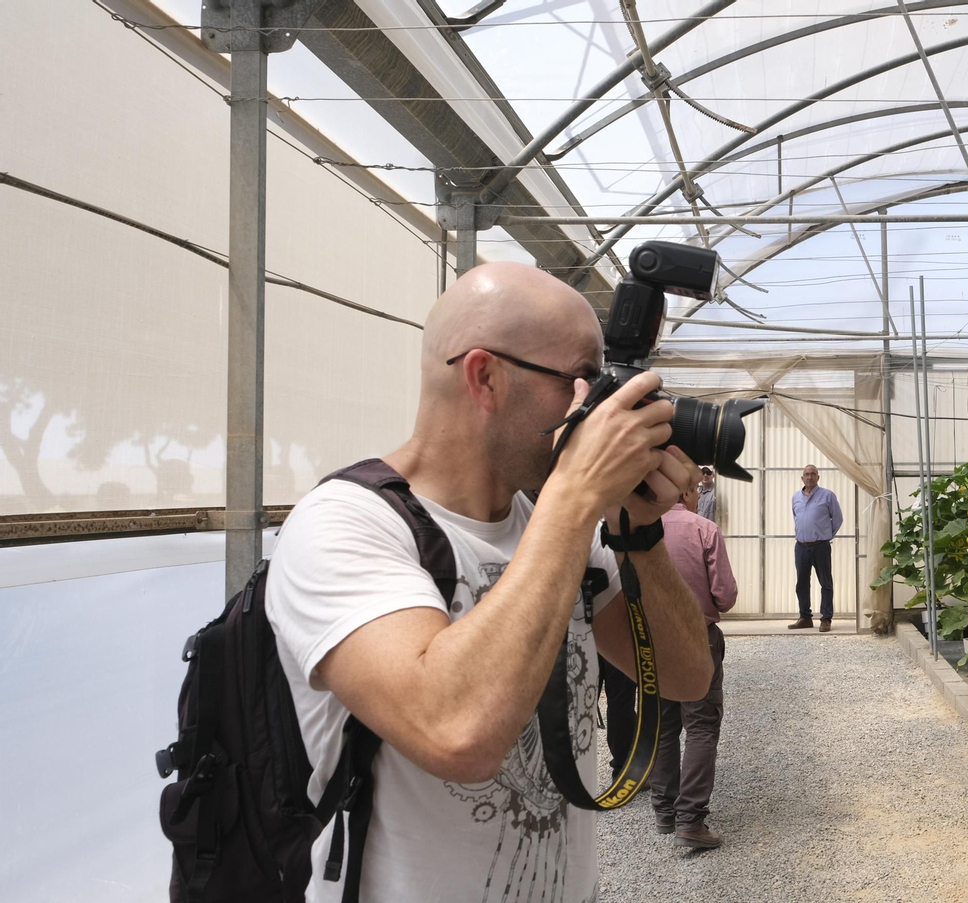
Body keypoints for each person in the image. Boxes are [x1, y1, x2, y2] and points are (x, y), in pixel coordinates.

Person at [265, 262, 715, 903]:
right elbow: (456, 732)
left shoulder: (557, 520)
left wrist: (641, 537)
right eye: (582, 379)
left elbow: (685, 676)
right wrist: (575, 496)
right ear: (485, 377)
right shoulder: (345, 524)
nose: (602, 405)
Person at [651, 484, 738, 849]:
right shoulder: (704, 529)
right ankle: (691, 820)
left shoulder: (639, 529)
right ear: (687, 493)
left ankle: (664, 810)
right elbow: (725, 596)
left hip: (650, 642)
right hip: (697, 636)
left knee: (664, 725)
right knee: (701, 726)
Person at [788, 463, 843, 632]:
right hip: (801, 547)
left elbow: (838, 519)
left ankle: (826, 619)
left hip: (821, 546)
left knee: (825, 583)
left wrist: (825, 535)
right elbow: (796, 517)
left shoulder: (828, 496)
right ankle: (805, 618)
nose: (810, 476)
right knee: (801, 583)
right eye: (807, 474)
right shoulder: (796, 497)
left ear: (818, 477)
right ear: (802, 478)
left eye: (813, 474)